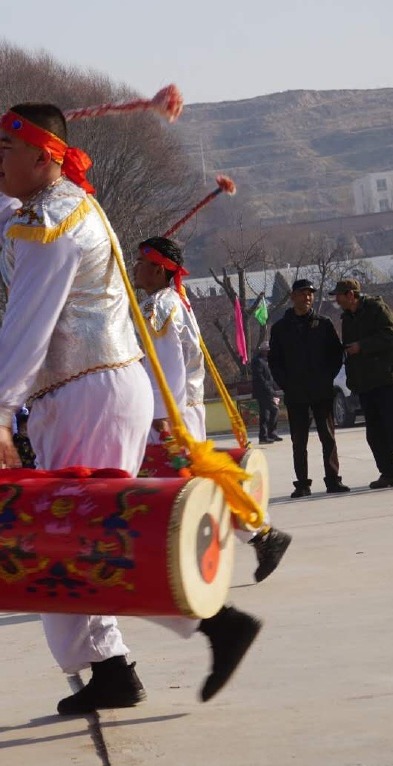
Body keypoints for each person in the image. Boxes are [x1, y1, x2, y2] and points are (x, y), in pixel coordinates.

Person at [0, 102, 262, 715]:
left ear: (44, 155)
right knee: (70, 542)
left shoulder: (52, 224)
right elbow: (5, 223)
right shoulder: (54, 206)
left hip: (89, 392)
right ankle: (113, 669)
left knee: (80, 542)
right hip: (87, 391)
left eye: (5, 146)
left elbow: (28, 322)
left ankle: (213, 624)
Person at [133, 237, 291, 583]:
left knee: (176, 491)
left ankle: (251, 539)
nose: (135, 269)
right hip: (181, 411)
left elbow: (166, 367)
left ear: (158, 270)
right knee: (195, 486)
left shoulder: (158, 308)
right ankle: (260, 535)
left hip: (169, 415)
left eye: (141, 263)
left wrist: (161, 416)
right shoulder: (175, 301)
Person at [332, 278, 393, 487]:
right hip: (365, 383)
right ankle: (388, 473)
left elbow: (391, 335)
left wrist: (362, 346)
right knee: (375, 432)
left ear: (350, 294)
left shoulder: (377, 308)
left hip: (386, 379)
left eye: (339, 295)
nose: (337, 300)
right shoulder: (347, 319)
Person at [268, 279, 350, 497]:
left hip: (321, 390)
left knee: (328, 438)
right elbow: (274, 361)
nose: (307, 297)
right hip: (295, 393)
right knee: (299, 441)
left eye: (310, 294)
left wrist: (326, 377)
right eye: (303, 293)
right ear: (293, 296)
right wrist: (286, 383)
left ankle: (333, 480)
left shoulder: (323, 324)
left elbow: (336, 354)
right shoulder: (281, 328)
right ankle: (302, 484)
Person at [250, 345, 281, 444]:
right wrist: (269, 390)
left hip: (269, 391)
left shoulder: (266, 361)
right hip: (263, 392)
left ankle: (270, 434)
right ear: (264, 351)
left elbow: (270, 377)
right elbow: (260, 378)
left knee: (267, 413)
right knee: (272, 411)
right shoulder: (258, 361)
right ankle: (264, 436)